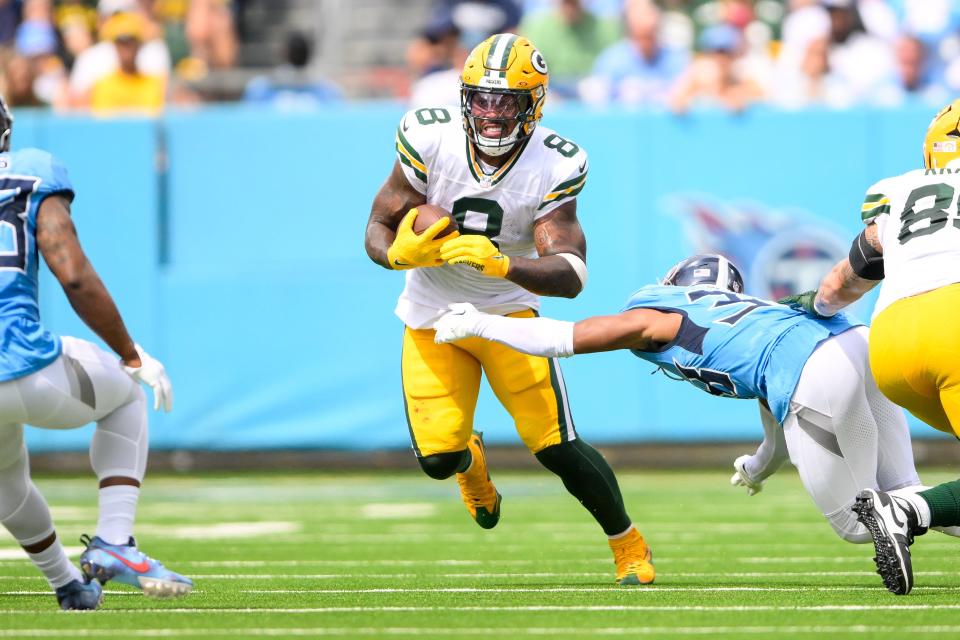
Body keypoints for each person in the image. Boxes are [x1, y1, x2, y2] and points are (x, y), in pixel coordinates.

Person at [364, 33, 655, 586]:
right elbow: (376, 227)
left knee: (557, 446)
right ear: (463, 96)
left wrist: (502, 265)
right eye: (482, 99)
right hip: (431, 314)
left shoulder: (555, 162)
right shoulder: (428, 136)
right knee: (437, 460)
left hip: (508, 317)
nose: (492, 114)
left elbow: (571, 275)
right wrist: (396, 253)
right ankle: (470, 462)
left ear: (534, 103)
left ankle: (628, 544)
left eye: (507, 102)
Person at [433, 254, 926, 557]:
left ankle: (891, 520)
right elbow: (779, 413)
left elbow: (566, 337)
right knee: (908, 490)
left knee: (860, 525)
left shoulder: (662, 314)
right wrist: (758, 466)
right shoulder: (760, 314)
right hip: (859, 343)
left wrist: (482, 323)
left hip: (814, 371)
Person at [0, 96, 191, 609]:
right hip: (20, 358)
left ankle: (68, 585)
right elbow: (75, 275)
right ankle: (115, 541)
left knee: (5, 482)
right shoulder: (30, 171)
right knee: (125, 397)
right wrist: (131, 354)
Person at [784, 98, 960, 595]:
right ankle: (906, 508)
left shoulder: (899, 190)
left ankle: (911, 506)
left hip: (892, 343)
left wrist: (814, 307)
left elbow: (845, 280)